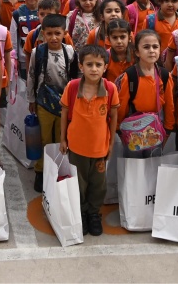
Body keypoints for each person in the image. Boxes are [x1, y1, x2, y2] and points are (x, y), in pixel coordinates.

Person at [60, 44, 119, 237]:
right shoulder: (72, 87)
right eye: (89, 64)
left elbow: (113, 117)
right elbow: (64, 113)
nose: (94, 68)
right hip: (76, 147)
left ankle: (94, 214)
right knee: (80, 184)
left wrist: (110, 145)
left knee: (98, 184)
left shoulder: (110, 89)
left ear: (105, 67)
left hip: (99, 149)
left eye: (98, 64)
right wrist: (62, 139)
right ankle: (82, 212)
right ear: (81, 66)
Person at [28, 14, 78, 191]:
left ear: (64, 33)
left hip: (64, 104)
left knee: (60, 138)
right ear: (43, 33)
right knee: (44, 139)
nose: (53, 37)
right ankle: (41, 172)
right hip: (43, 102)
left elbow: (75, 78)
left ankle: (57, 170)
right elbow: (32, 75)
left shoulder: (70, 51)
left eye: (57, 33)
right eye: (49, 33)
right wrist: (32, 99)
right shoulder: (38, 52)